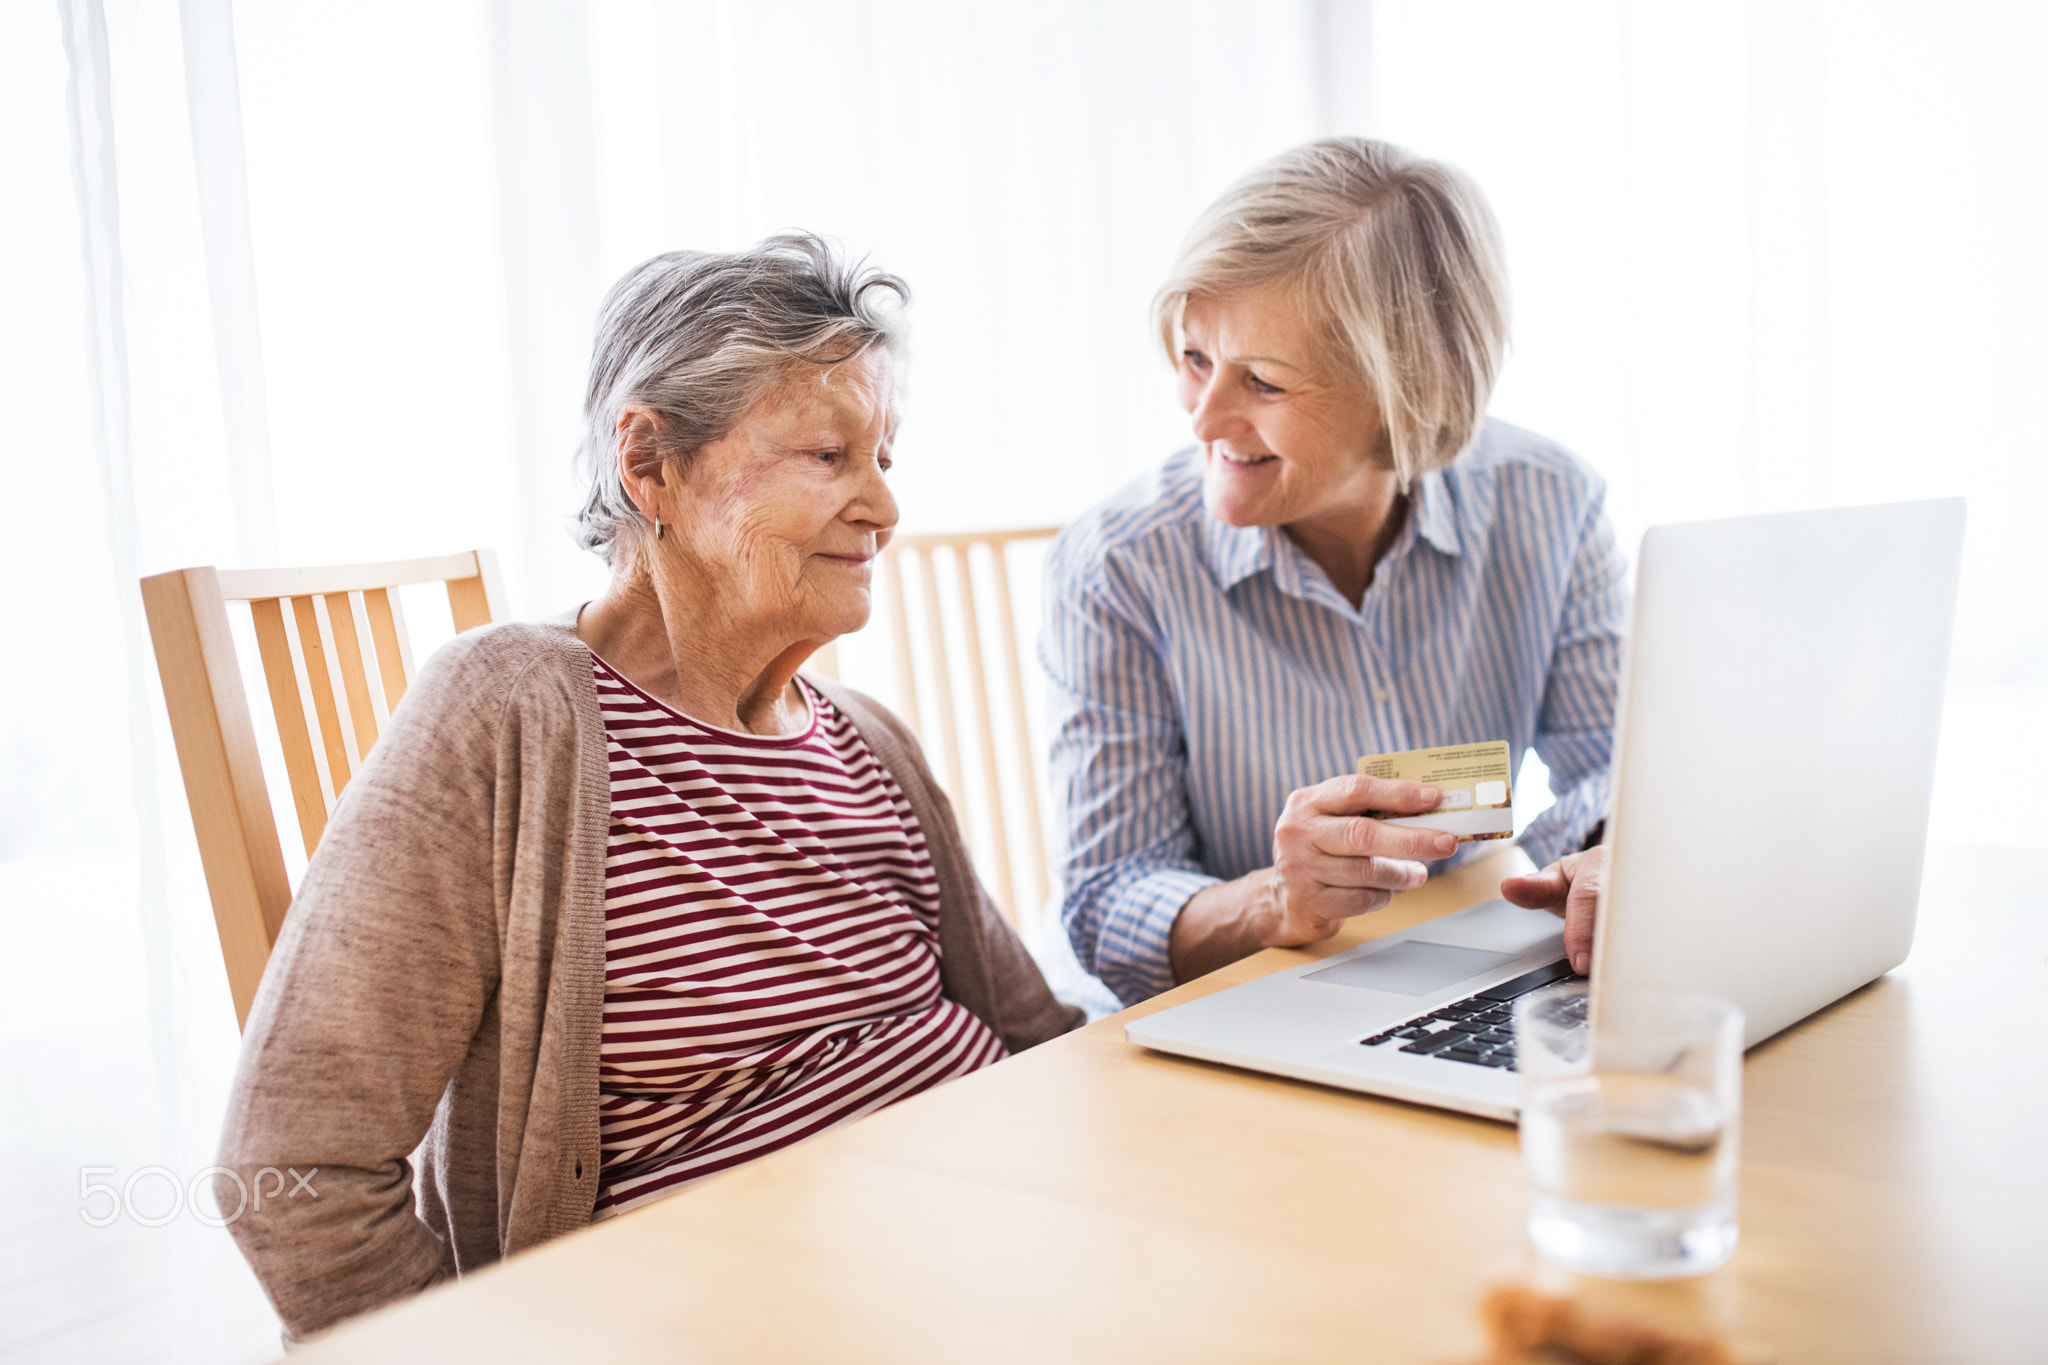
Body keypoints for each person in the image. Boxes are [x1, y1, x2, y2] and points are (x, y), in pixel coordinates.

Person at [216, 235, 1081, 1340]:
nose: (882, 508)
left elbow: (1041, 1039)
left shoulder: (869, 740)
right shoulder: (511, 714)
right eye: (828, 454)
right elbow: (294, 1164)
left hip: (1019, 1263)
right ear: (651, 466)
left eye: (885, 459)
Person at [1043, 138, 1623, 1009]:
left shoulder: (1552, 503)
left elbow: (1613, 770)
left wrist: (1615, 851)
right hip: (1235, 1013)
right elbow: (1107, 898)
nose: (1204, 420)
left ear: (1411, 391)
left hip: (1458, 971)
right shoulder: (1118, 566)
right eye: (1196, 358)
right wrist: (1278, 897)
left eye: (1262, 382)